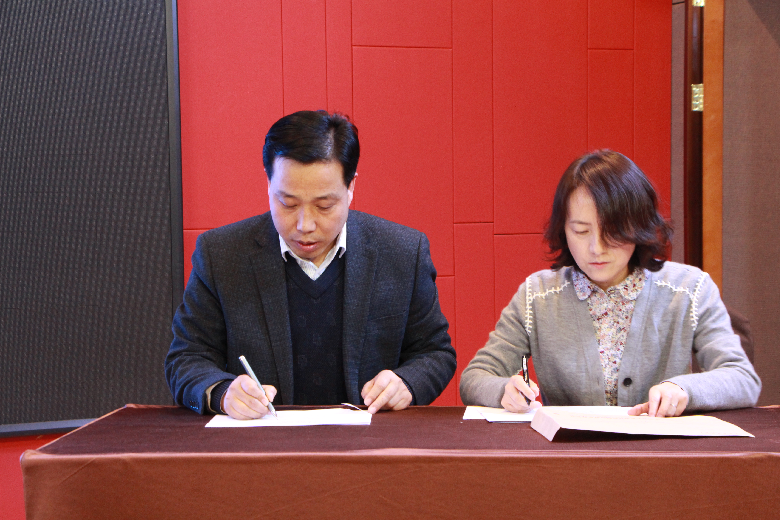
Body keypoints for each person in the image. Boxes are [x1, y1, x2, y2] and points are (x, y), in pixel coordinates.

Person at [166, 110, 455, 419]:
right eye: (287, 203)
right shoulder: (222, 254)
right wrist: (222, 392)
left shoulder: (402, 253)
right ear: (268, 184)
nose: (305, 225)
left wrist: (406, 383)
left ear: (351, 187)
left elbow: (434, 352)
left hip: (369, 442)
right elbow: (187, 357)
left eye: (324, 205)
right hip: (264, 443)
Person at [460, 150, 761, 417]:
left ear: (639, 225)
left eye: (613, 232)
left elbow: (741, 378)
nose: (596, 248)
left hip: (662, 455)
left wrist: (683, 390)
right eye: (581, 231)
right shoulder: (538, 296)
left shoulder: (689, 289)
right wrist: (504, 391)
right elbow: (476, 377)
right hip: (570, 456)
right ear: (563, 230)